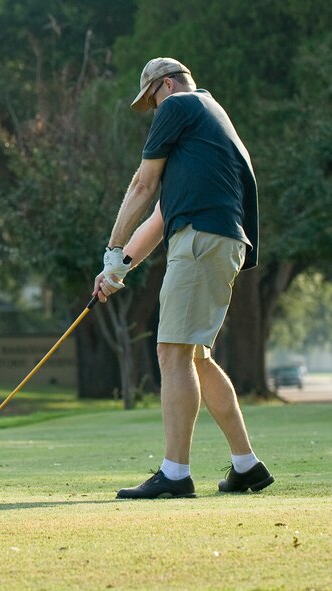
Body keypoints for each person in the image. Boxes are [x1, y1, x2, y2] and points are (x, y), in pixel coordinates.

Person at [93, 57, 274, 499]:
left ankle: (175, 474)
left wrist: (111, 248)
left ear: (166, 85)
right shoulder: (208, 120)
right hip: (220, 241)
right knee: (194, 357)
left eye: (152, 100)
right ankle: (246, 466)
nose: (154, 113)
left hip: (201, 241)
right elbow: (159, 216)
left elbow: (141, 186)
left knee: (171, 353)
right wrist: (118, 267)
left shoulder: (178, 107)